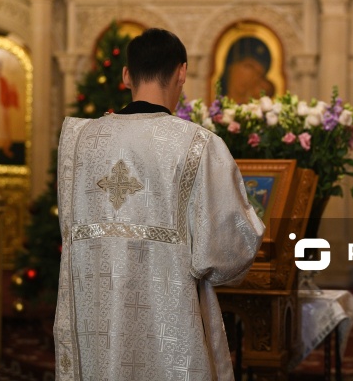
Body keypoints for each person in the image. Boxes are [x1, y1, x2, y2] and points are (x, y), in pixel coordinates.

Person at [54, 28, 265, 380]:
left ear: (126, 75)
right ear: (181, 72)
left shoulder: (79, 142)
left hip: (95, 320)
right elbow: (230, 248)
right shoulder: (198, 145)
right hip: (172, 322)